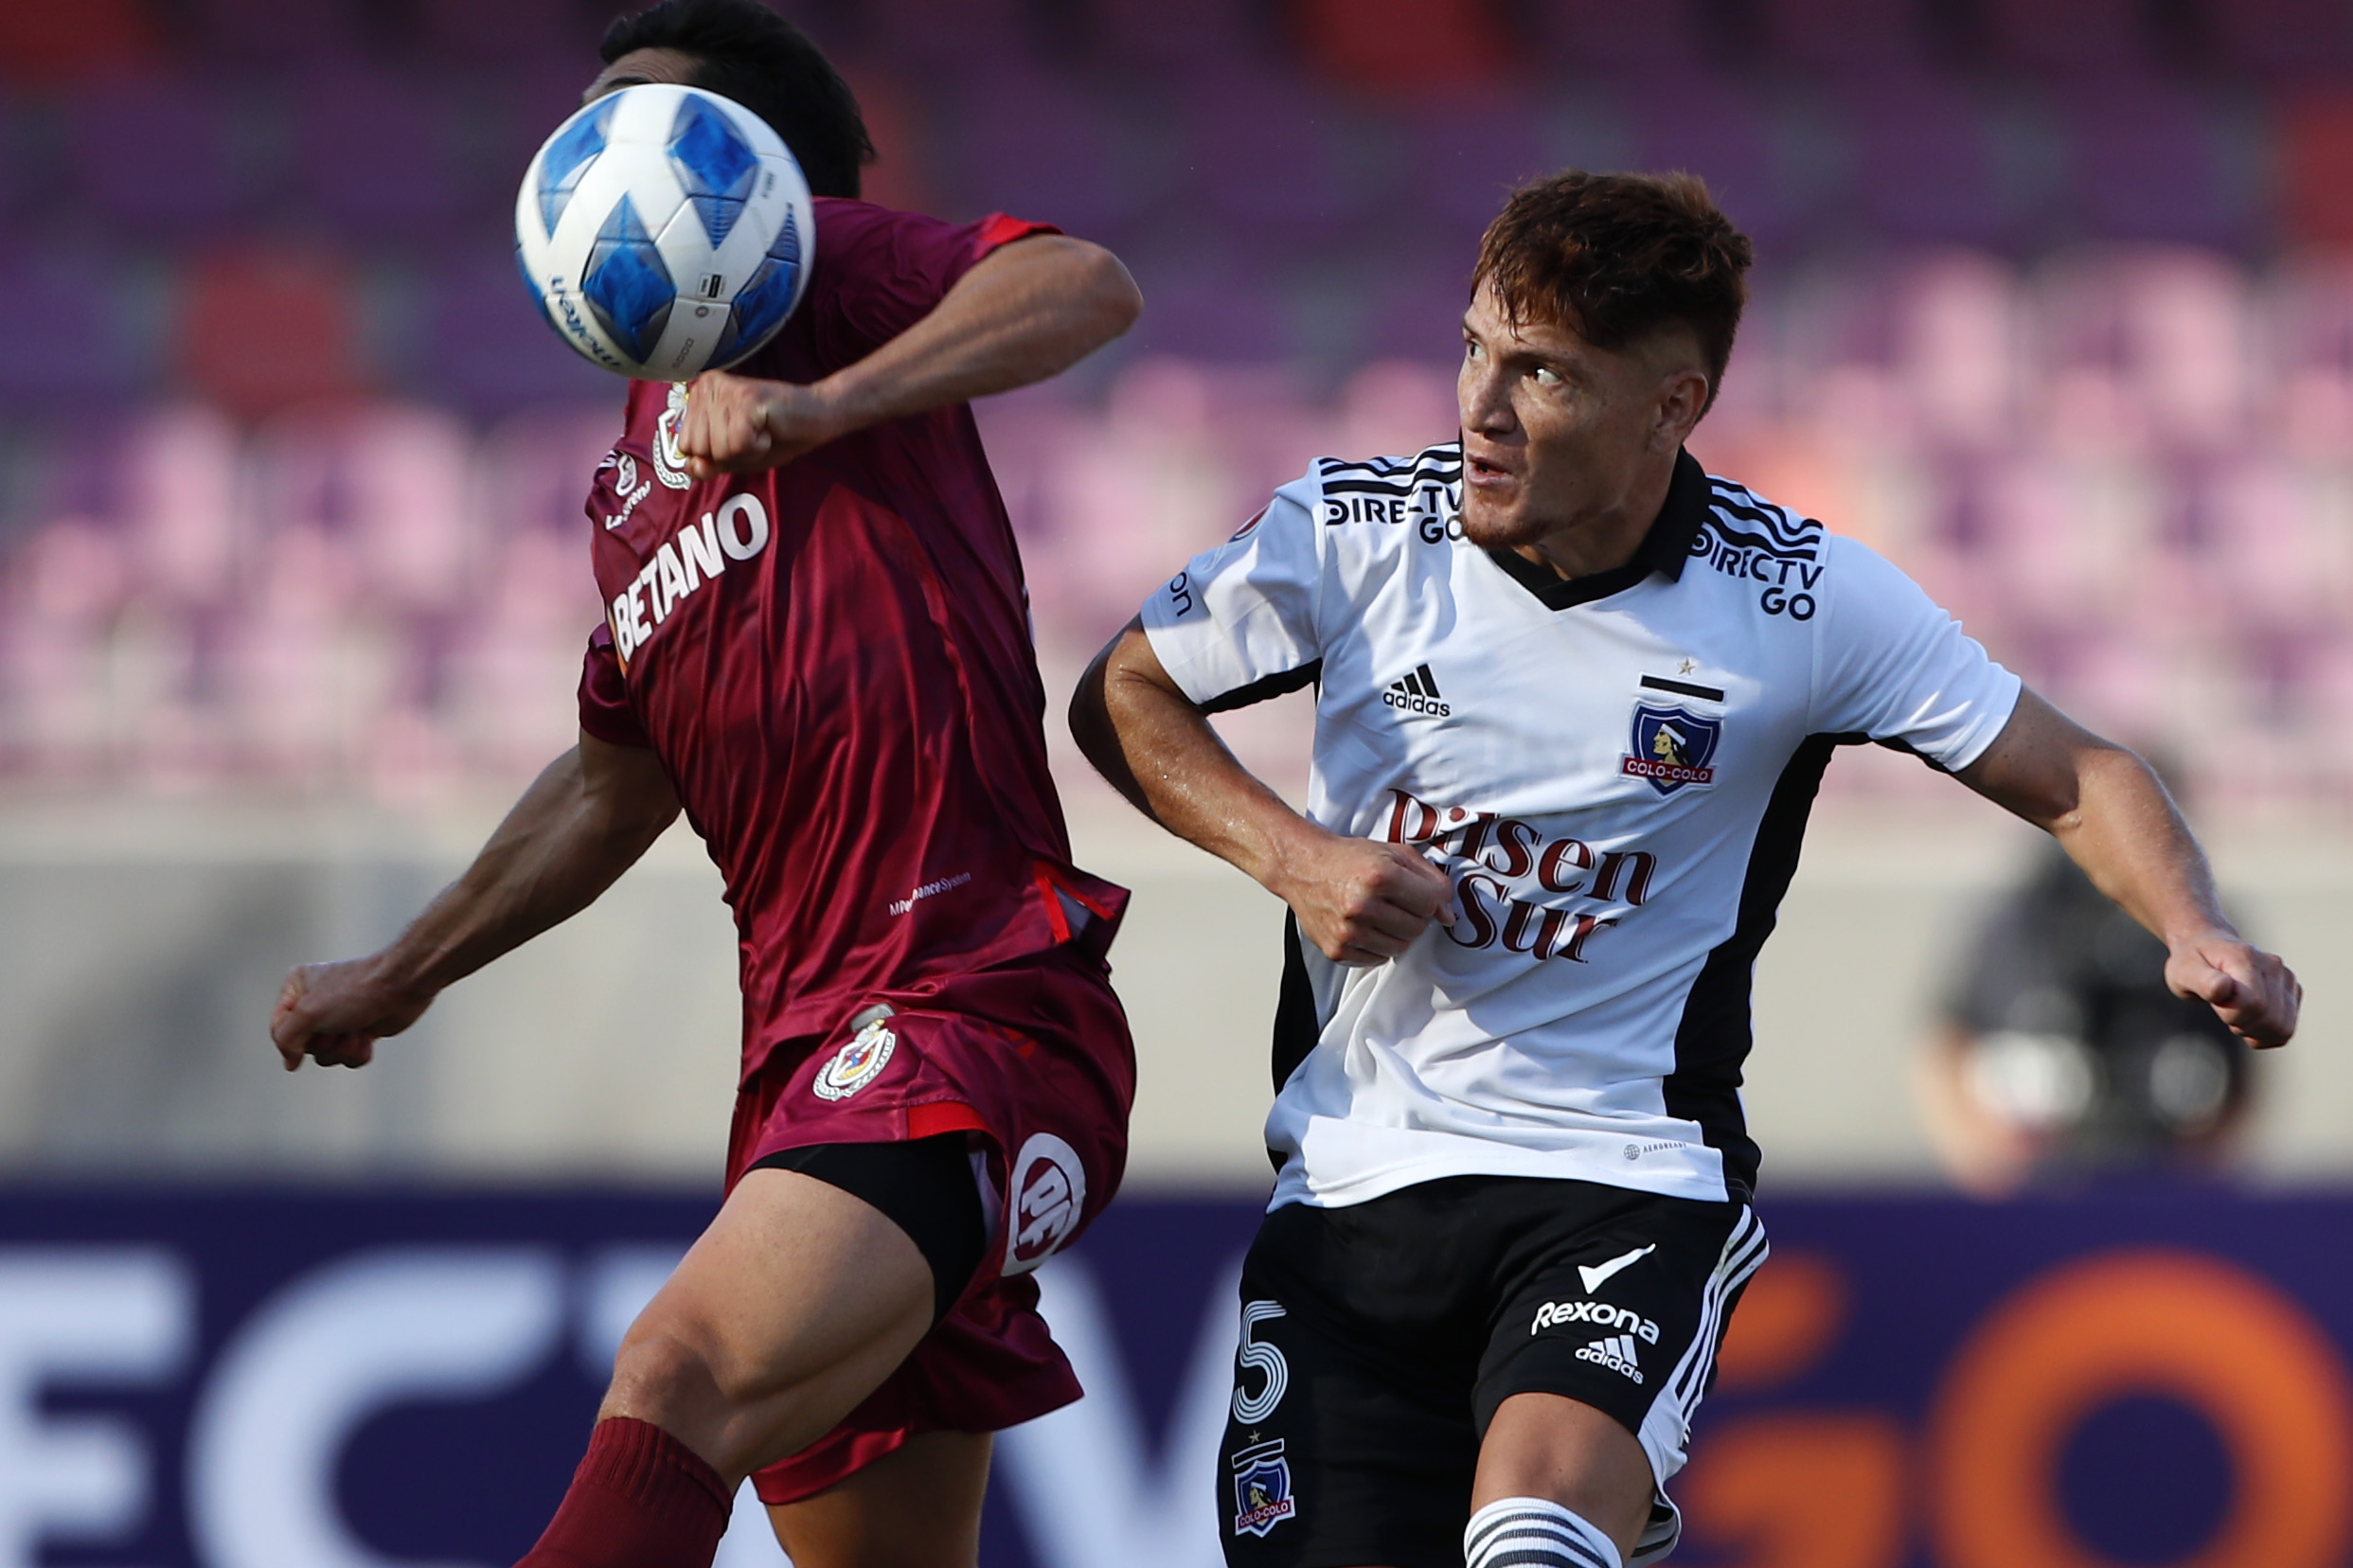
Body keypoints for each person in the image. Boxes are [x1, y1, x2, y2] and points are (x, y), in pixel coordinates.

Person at [1070, 170, 2300, 1568]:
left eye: (1540, 373)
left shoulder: (1797, 598)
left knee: (1532, 1542)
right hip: (1352, 1183)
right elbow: (1121, 692)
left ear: (1670, 405)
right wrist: (1291, 858)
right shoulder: (1353, 534)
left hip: (1623, 1176)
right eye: (1474, 345)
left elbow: (2079, 773)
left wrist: (2190, 926)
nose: (1478, 406)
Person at [268, 5, 1145, 1567]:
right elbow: (614, 785)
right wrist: (401, 972)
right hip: (802, 1065)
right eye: (586, 125)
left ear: (750, 173)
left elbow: (1081, 285)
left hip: (970, 1004)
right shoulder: (625, 484)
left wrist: (831, 405)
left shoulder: (830, 284)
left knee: (674, 1374)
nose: (604, 153)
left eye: (648, 125)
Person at [1920, 829, 2255, 1194]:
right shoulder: (2017, 922)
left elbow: (2243, 1059)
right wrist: (1980, 1153)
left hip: (2161, 1174)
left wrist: (2202, 1168)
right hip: (2036, 1179)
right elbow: (1948, 1040)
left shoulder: (2200, 927)